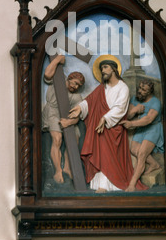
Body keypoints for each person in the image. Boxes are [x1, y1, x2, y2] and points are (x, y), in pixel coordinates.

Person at [67, 55, 147, 193]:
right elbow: (90, 101)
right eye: (101, 68)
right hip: (99, 128)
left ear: (114, 69)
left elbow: (120, 108)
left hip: (113, 128)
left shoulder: (123, 88)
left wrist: (105, 118)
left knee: (108, 156)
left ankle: (108, 185)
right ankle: (100, 184)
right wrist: (80, 108)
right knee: (99, 154)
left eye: (105, 67)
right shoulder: (101, 88)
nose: (103, 70)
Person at [42, 54, 85, 184]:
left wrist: (69, 122)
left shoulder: (76, 96)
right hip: (52, 112)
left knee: (75, 137)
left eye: (79, 86)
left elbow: (76, 117)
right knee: (57, 139)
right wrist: (58, 59)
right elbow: (47, 75)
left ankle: (67, 167)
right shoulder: (58, 80)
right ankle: (57, 171)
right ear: (69, 79)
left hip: (66, 117)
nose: (76, 87)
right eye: (75, 83)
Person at [120, 79, 164, 192]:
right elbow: (128, 116)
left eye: (143, 90)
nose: (140, 91)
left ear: (150, 92)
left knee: (142, 154)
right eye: (139, 88)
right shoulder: (135, 99)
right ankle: (154, 164)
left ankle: (132, 184)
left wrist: (132, 124)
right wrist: (135, 110)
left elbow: (148, 119)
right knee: (134, 149)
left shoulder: (155, 102)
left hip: (152, 129)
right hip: (141, 129)